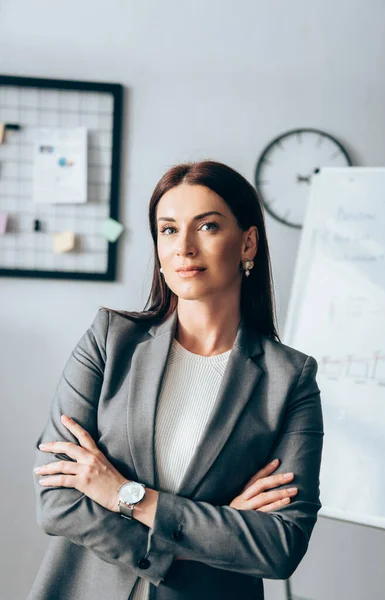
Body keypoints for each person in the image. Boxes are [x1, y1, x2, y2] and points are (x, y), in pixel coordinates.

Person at [28, 160, 324, 600]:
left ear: (247, 243)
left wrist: (125, 495)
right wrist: (218, 525)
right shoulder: (109, 342)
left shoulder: (290, 379)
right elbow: (58, 503)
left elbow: (280, 546)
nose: (183, 247)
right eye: (168, 229)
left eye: (206, 227)